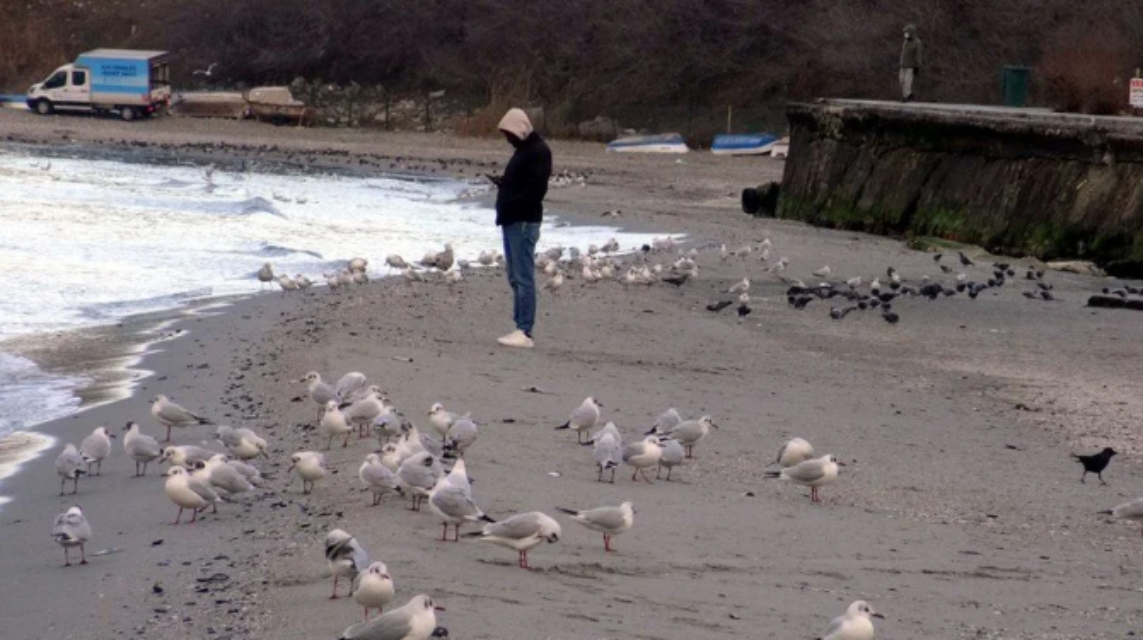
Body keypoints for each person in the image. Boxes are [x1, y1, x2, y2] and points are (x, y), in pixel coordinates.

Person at [490, 108, 552, 349]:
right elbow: (522, 182)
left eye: (509, 133)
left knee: (523, 277)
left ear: (519, 130)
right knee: (515, 276)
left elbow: (536, 190)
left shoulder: (538, 152)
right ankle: (520, 326)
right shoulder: (524, 150)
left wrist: (511, 195)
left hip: (523, 220)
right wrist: (506, 185)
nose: (508, 139)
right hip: (512, 218)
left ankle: (525, 330)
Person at [899, 24, 923, 102]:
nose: (905, 34)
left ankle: (905, 97)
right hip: (903, 65)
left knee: (907, 81)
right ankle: (909, 94)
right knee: (901, 80)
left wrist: (917, 65)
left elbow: (918, 55)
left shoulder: (917, 42)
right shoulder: (905, 42)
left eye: (907, 32)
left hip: (911, 66)